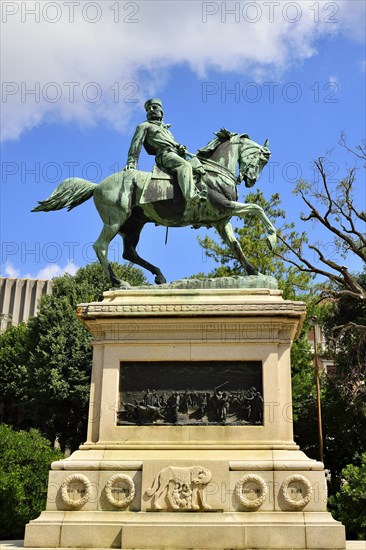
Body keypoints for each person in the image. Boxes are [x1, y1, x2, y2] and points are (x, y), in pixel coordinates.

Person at [124, 98, 206, 209]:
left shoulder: (166, 130)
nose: (151, 110)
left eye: (154, 107)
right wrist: (131, 163)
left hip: (174, 154)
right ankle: (191, 197)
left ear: (161, 111)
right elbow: (136, 144)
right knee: (185, 166)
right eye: (148, 109)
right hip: (164, 155)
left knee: (198, 167)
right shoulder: (144, 126)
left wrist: (180, 149)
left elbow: (172, 144)